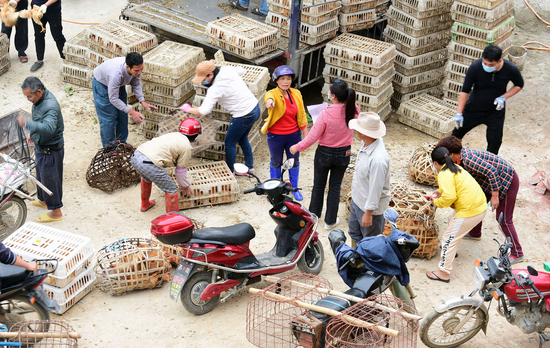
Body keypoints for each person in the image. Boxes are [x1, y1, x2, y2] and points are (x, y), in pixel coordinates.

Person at [436, 136, 524, 264]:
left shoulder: (469, 159)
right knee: (476, 204)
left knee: (504, 219)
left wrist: (495, 196)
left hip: (506, 181)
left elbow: (492, 172)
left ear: (453, 154)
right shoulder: (456, 161)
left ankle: (517, 252)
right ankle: (475, 233)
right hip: (486, 183)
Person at [289, 79, 359, 229]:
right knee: (335, 187)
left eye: (329, 91)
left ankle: (314, 216)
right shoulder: (353, 109)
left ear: (333, 95)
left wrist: (297, 147)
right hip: (344, 154)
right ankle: (330, 221)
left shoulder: (325, 114)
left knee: (319, 185)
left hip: (324, 154)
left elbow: (312, 137)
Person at [181, 60, 260, 174]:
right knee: (243, 139)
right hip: (255, 107)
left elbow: (204, 110)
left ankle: (230, 172)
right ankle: (250, 167)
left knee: (229, 143)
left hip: (243, 115)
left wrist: (188, 109)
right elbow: (242, 70)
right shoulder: (227, 69)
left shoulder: (215, 89)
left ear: (211, 74)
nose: (203, 81)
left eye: (204, 78)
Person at [426, 147, 488, 283]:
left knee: (448, 238)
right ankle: (449, 251)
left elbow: (449, 197)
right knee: (451, 220)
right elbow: (454, 189)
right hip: (479, 206)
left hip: (470, 211)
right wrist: (440, 191)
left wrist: (437, 201)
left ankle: (444, 272)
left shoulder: (443, 174)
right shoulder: (454, 167)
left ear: (435, 163)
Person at [452, 45, 524, 155]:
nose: (487, 66)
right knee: (455, 136)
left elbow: (519, 84)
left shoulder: (510, 69)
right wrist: (459, 113)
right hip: (474, 107)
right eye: (485, 63)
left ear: (499, 61)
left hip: (495, 111)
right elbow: (465, 91)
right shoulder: (475, 67)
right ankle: (453, 159)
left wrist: (504, 97)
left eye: (491, 65)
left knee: (495, 142)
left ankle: (489, 164)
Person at [17, 76, 64, 222]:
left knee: (51, 180)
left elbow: (49, 128)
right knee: (42, 176)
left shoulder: (50, 105)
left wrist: (27, 124)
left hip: (51, 149)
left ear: (39, 91)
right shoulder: (39, 100)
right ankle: (44, 201)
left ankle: (56, 212)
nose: (28, 100)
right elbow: (40, 120)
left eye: (29, 97)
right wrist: (34, 134)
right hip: (41, 146)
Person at [130, 118, 200, 213]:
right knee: (171, 190)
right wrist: (185, 186)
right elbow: (180, 172)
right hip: (149, 163)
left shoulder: (173, 135)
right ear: (196, 136)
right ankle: (173, 220)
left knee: (146, 178)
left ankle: (145, 204)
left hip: (137, 155)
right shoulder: (186, 146)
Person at [262, 65, 308, 201]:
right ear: (276, 80)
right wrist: (269, 102)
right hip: (275, 136)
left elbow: (302, 114)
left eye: (288, 78)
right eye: (282, 79)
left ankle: (294, 188)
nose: (286, 81)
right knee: (276, 162)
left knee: (294, 162)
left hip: (293, 135)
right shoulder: (273, 93)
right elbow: (268, 97)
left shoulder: (296, 94)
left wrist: (306, 134)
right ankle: (275, 190)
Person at [93, 52, 157, 148]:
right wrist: (132, 112)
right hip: (103, 85)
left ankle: (121, 143)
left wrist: (142, 101)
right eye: (136, 70)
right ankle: (109, 149)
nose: (139, 73)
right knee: (109, 118)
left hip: (119, 85)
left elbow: (136, 84)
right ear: (128, 67)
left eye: (141, 69)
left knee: (122, 114)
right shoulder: (115, 74)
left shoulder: (135, 69)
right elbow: (113, 98)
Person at [347, 112, 390, 243]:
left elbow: (376, 188)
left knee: (370, 242)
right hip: (358, 201)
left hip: (368, 209)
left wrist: (369, 213)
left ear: (364, 133)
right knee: (354, 233)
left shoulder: (378, 160)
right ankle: (356, 260)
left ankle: (366, 263)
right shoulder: (366, 143)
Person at [29, 0, 66, 72]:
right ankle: (39, 60)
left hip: (53, 9)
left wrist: (46, 5)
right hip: (37, 8)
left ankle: (66, 58)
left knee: (57, 35)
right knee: (38, 34)